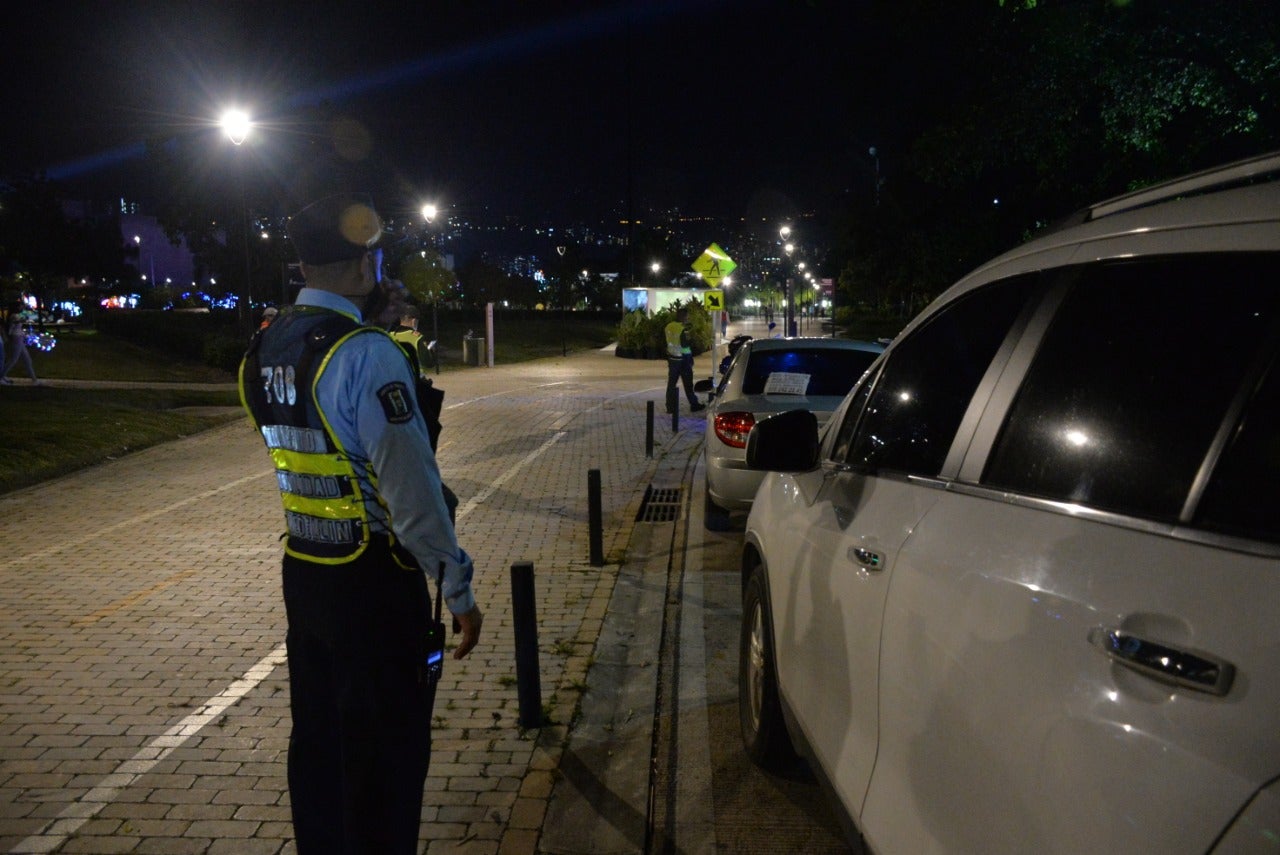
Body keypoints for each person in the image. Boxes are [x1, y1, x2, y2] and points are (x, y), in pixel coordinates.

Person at [239, 190, 482, 854]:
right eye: (375, 255)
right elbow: (412, 496)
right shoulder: (365, 353)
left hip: (306, 577)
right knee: (385, 767)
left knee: (319, 754)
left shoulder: (266, 348)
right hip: (373, 588)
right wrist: (456, 588)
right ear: (360, 264)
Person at [664, 305, 704, 414]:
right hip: (684, 359)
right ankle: (694, 404)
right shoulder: (683, 329)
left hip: (672, 358)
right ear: (683, 317)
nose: (687, 319)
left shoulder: (668, 326)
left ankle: (670, 407)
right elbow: (685, 344)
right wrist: (691, 340)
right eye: (687, 317)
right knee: (688, 384)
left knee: (671, 383)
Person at [2, 309, 43, 385]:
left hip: (19, 338)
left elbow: (18, 326)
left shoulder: (16, 316)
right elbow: (15, 324)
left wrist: (24, 334)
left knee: (27, 359)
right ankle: (1, 376)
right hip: (16, 338)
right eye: (20, 306)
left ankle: (34, 380)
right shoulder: (14, 316)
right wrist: (25, 318)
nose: (22, 307)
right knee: (13, 359)